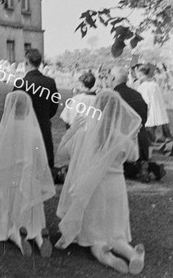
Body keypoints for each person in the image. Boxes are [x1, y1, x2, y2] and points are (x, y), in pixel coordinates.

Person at [56, 90, 145, 275]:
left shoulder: (84, 134)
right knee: (117, 234)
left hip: (92, 189)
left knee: (95, 238)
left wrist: (70, 132)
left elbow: (61, 155)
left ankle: (105, 256)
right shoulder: (122, 138)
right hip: (116, 188)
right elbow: (134, 157)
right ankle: (132, 254)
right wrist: (132, 137)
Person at [0, 91, 55, 257]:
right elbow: (39, 159)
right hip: (28, 183)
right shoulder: (34, 134)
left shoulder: (0, 133)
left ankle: (16, 236)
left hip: (8, 182)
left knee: (8, 223)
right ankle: (39, 237)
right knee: (34, 222)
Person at [109, 66, 165, 182]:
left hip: (124, 143)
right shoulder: (136, 94)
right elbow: (145, 116)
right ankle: (149, 166)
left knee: (111, 168)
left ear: (112, 78)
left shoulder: (112, 95)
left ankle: (139, 167)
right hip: (141, 141)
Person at [13, 49, 59, 172]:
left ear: (26, 62)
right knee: (43, 154)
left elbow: (14, 106)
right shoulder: (49, 82)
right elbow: (54, 105)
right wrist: (44, 115)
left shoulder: (21, 83)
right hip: (43, 123)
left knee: (26, 156)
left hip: (25, 123)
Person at [136, 64, 173, 158]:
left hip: (151, 117)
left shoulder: (143, 87)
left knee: (155, 140)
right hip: (160, 116)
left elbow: (145, 103)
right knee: (163, 137)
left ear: (140, 74)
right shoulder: (154, 84)